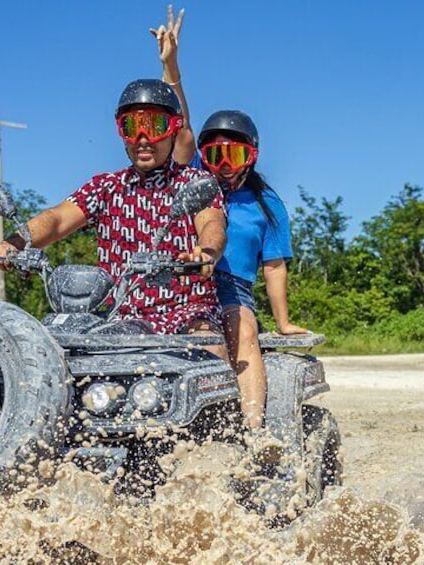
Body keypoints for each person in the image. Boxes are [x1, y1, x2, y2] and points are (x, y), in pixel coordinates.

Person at [0, 79, 228, 354]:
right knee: (53, 352)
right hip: (118, 319)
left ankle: (228, 400)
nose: (143, 139)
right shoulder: (105, 187)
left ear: (174, 128)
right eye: (131, 127)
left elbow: (212, 222)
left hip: (186, 314)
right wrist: (14, 243)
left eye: (155, 126)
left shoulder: (194, 181)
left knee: (210, 349)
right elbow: (56, 219)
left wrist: (206, 253)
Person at [152, 7, 308, 431]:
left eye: (234, 154)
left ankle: (252, 429)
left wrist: (283, 321)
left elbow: (274, 265)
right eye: (214, 154)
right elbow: (179, 130)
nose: (222, 165)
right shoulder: (192, 182)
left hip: (233, 288)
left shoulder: (265, 203)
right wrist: (171, 67)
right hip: (180, 279)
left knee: (243, 331)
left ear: (251, 156)